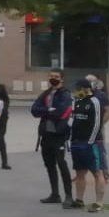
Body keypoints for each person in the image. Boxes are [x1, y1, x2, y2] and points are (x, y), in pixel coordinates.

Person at [30, 72, 74, 204]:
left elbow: (60, 112)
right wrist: (49, 110)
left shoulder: (65, 95)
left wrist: (45, 111)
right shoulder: (46, 93)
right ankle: (55, 194)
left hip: (58, 134)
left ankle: (68, 196)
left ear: (62, 79)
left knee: (61, 163)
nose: (53, 79)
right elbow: (34, 110)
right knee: (49, 164)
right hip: (45, 134)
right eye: (51, 76)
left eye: (56, 77)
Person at [68, 79, 108, 211]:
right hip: (76, 142)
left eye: (78, 89)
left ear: (86, 88)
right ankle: (79, 200)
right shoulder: (78, 102)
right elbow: (73, 121)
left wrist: (91, 141)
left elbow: (97, 123)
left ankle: (99, 202)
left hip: (91, 143)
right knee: (79, 172)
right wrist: (71, 139)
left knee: (97, 172)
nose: (76, 92)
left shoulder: (95, 102)